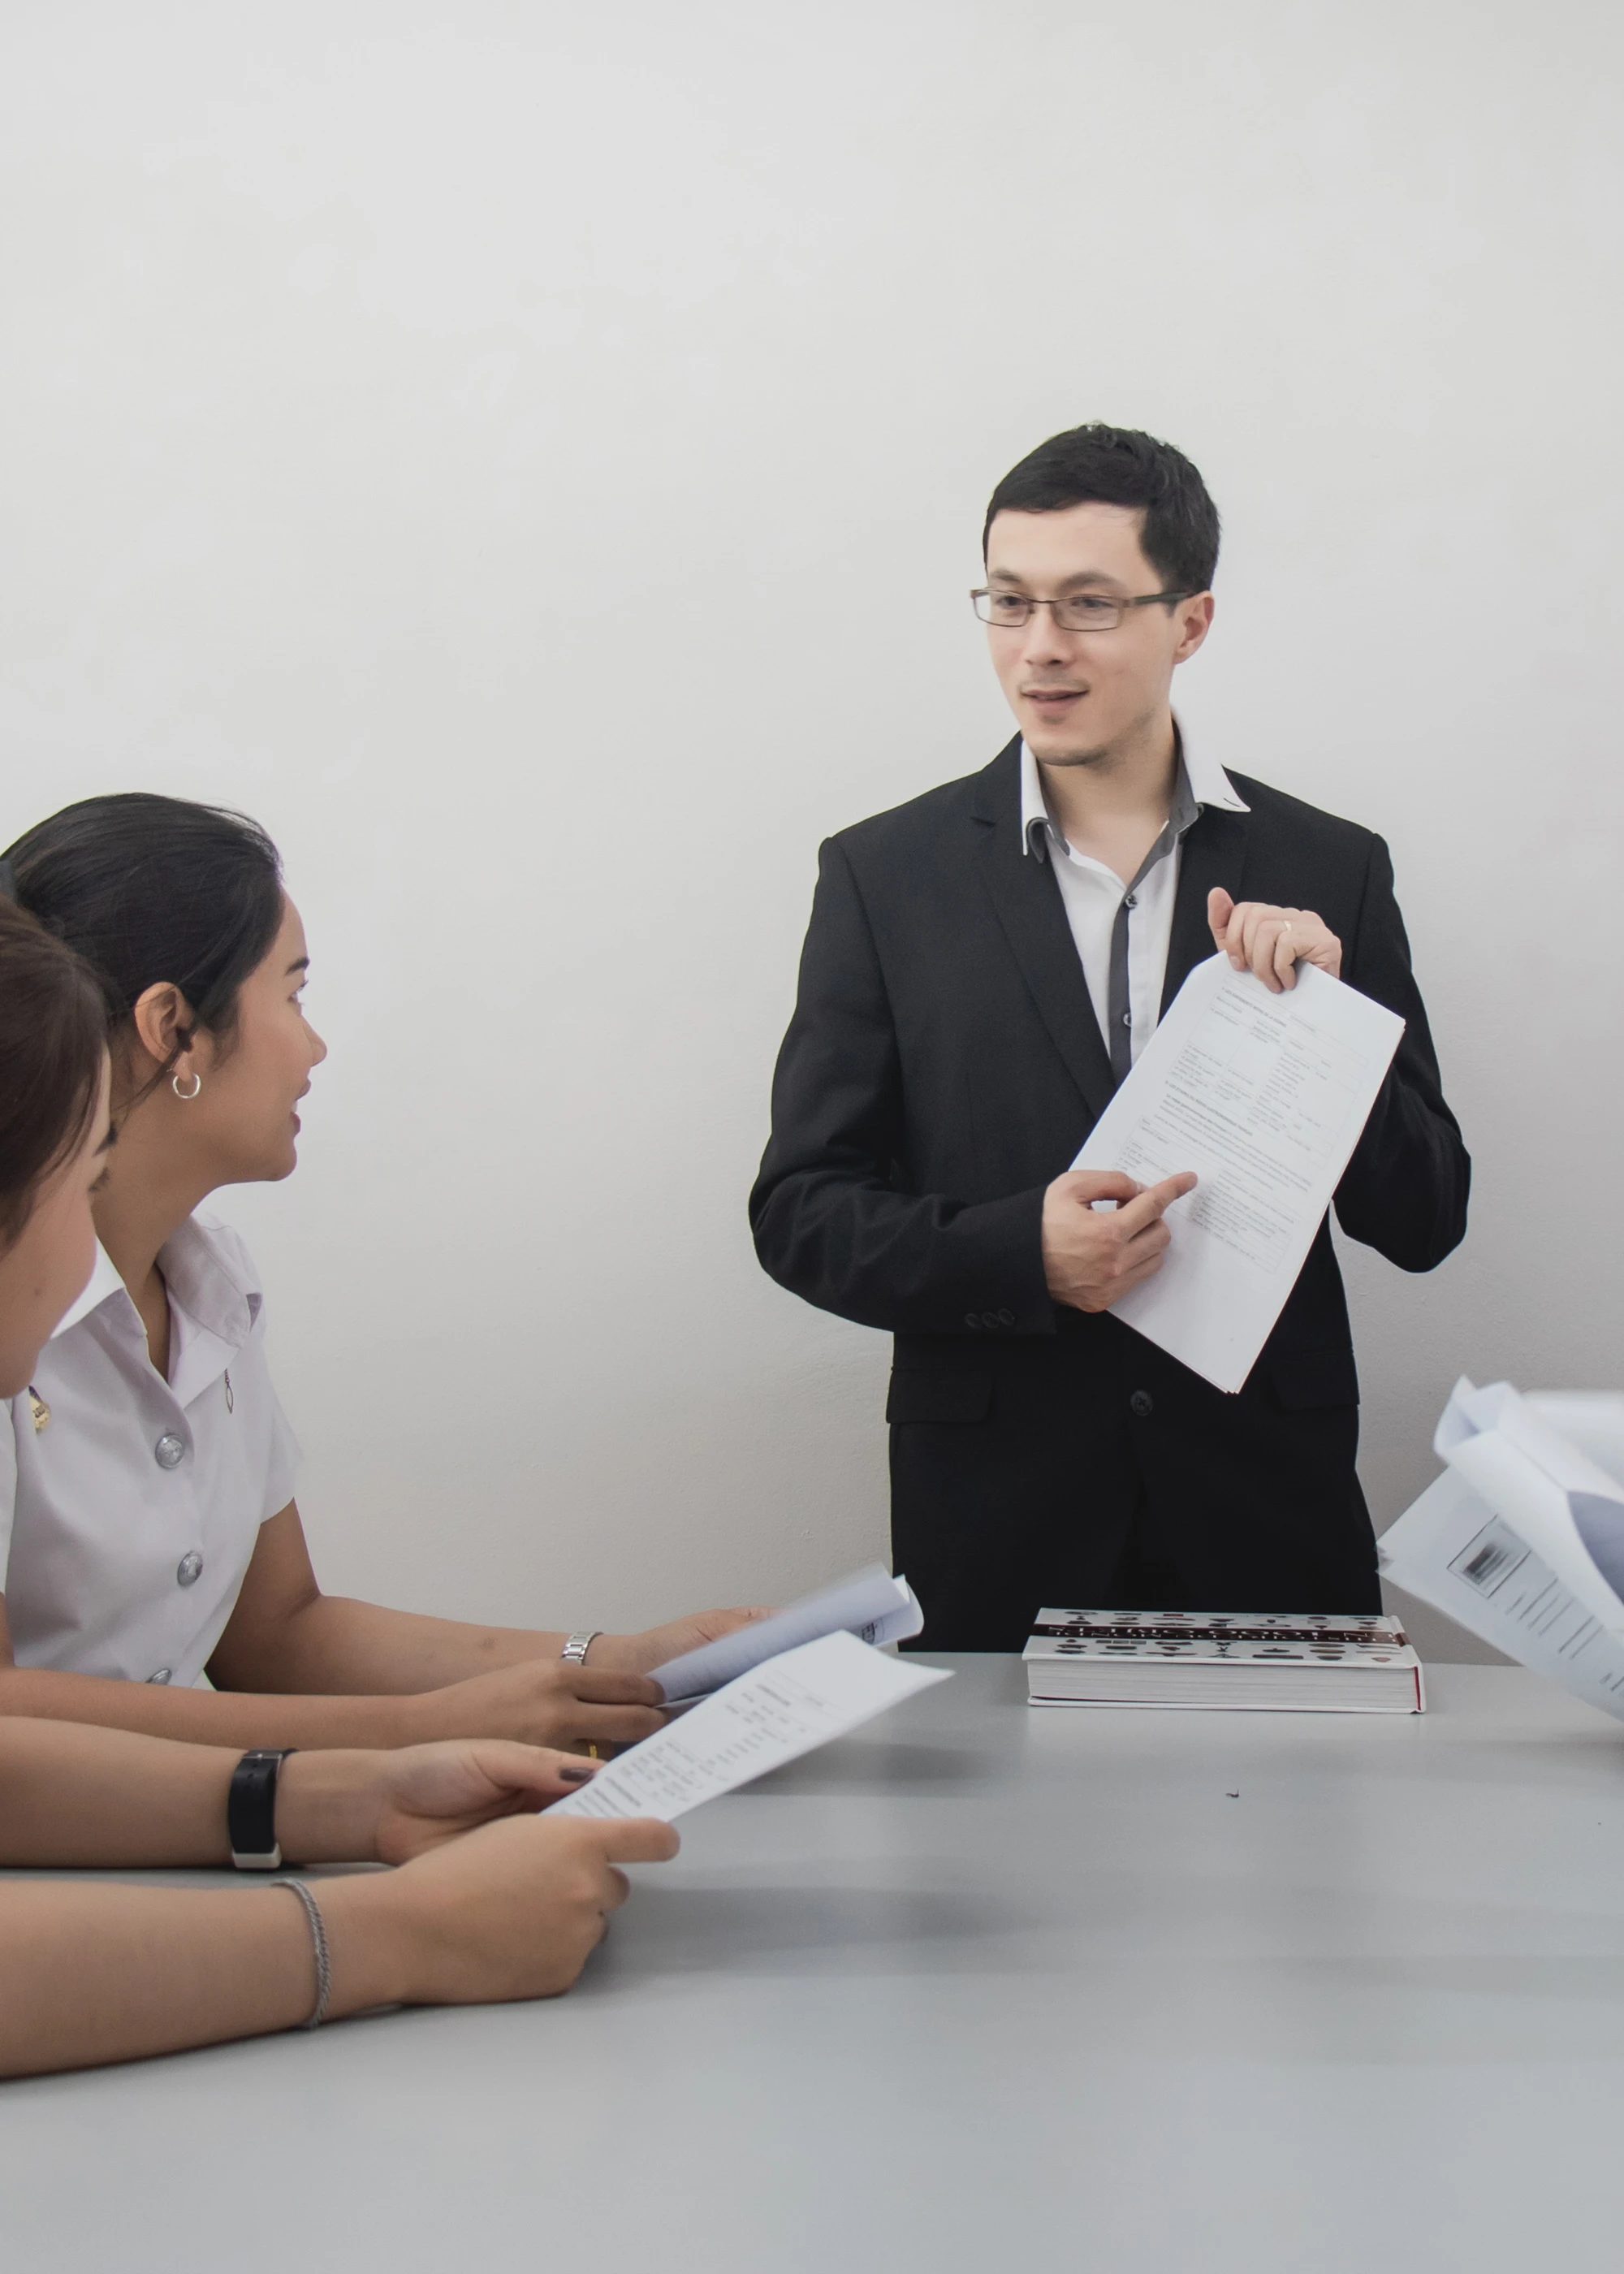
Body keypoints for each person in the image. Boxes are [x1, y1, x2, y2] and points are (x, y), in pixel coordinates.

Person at [751, 423, 1469, 1650]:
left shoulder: (1330, 868)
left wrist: (1330, 1035)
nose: (1039, 649)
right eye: (1009, 602)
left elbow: (1425, 1220)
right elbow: (802, 1213)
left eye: (1088, 605)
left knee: (1299, 1845)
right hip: (994, 1530)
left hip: (1267, 1517)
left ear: (1189, 621)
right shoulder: (885, 875)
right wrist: (1014, 1254)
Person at [0, 897, 676, 2078]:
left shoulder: (213, 1284)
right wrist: (398, 1927)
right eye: (82, 1164)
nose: (84, 1252)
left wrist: (364, 1798)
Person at [0, 793, 767, 1747]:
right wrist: (430, 1737)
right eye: (292, 994)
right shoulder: (17, 1321)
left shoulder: (214, 1283)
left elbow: (276, 1636)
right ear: (175, 1030)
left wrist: (615, 1663)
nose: (314, 1046)